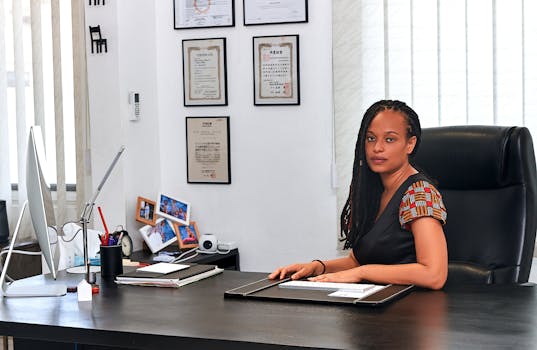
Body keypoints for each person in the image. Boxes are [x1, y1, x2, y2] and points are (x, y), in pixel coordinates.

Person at [269, 100, 448, 290]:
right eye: (371, 138)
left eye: (389, 139)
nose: (377, 148)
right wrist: (317, 267)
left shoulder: (419, 193)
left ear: (410, 144)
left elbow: (434, 275)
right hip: (375, 303)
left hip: (412, 309)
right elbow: (357, 261)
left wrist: (362, 272)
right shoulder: (372, 192)